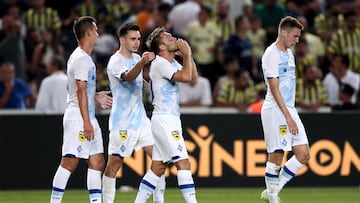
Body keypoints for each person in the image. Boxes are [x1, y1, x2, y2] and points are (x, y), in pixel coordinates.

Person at [50, 16, 112, 203]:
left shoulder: (82, 57)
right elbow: (79, 90)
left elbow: (81, 89)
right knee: (69, 161)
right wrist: (86, 121)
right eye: (96, 30)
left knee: (97, 161)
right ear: (88, 33)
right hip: (79, 117)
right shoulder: (82, 59)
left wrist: (96, 96)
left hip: (87, 115)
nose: (98, 33)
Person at [102, 23, 166, 203]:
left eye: (138, 39)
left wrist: (155, 91)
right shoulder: (115, 61)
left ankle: (158, 201)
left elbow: (139, 82)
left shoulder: (136, 57)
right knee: (113, 166)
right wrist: (142, 62)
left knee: (160, 161)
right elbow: (128, 77)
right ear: (122, 40)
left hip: (142, 120)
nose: (137, 42)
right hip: (122, 123)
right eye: (133, 39)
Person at [134, 27, 198, 203]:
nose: (173, 38)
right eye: (168, 38)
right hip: (164, 120)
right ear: (161, 47)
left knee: (158, 167)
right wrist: (186, 55)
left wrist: (187, 55)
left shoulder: (171, 63)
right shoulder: (160, 63)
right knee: (183, 163)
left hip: (169, 120)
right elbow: (185, 78)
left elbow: (193, 78)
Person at [260, 16, 310, 203]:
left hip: (289, 108)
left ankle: (272, 191)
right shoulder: (271, 54)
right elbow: (274, 88)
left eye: (298, 37)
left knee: (304, 154)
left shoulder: (288, 53)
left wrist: (290, 113)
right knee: (277, 153)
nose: (297, 41)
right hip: (275, 109)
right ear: (284, 33)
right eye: (295, 36)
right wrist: (288, 116)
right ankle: (273, 198)